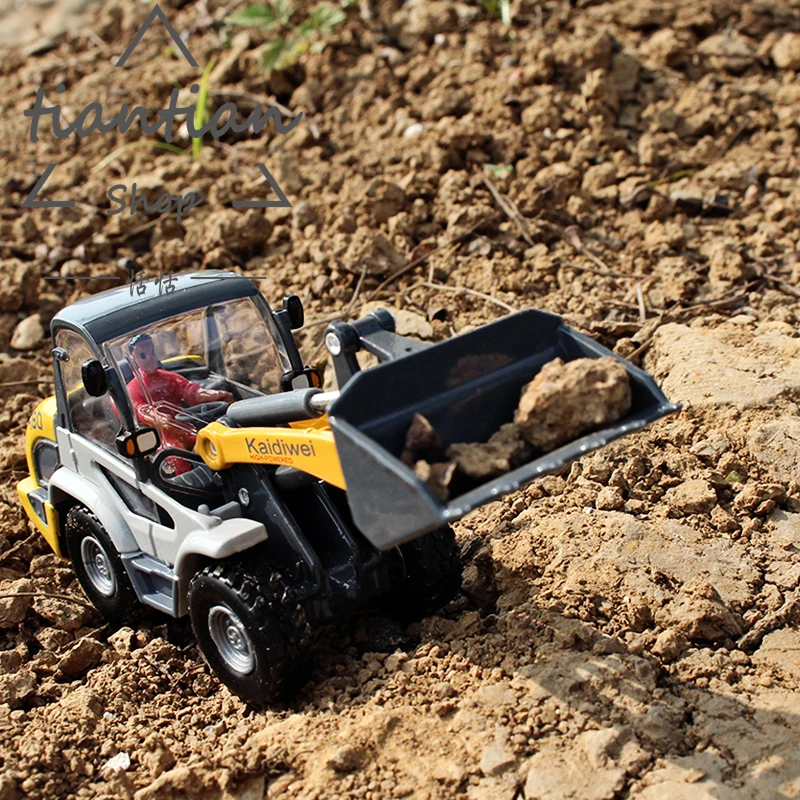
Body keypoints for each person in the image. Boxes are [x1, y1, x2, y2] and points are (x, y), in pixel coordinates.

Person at [126, 333, 234, 458]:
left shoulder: (168, 377)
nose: (151, 358)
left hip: (185, 426)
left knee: (216, 441)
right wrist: (158, 418)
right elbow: (141, 410)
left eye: (152, 353)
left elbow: (190, 390)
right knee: (175, 456)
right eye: (143, 355)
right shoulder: (133, 389)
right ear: (134, 360)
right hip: (159, 437)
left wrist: (215, 395)